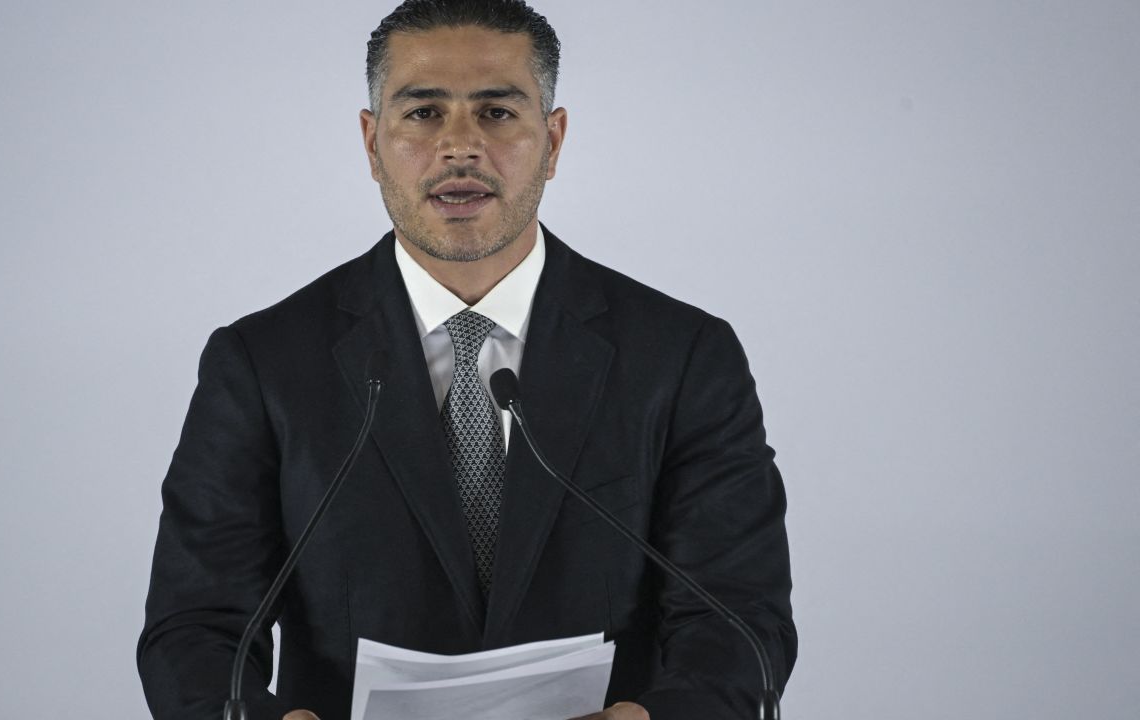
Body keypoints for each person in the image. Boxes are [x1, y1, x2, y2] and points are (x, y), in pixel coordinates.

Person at [137, 1, 797, 718]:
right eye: (423, 114)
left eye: (497, 113)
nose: (460, 147)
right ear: (370, 141)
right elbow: (195, 629)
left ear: (553, 139)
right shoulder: (263, 363)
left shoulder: (684, 356)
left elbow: (738, 616)